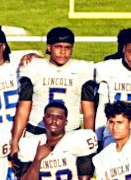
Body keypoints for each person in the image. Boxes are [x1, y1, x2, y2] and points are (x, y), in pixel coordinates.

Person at [12, 27, 96, 158]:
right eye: (58, 47)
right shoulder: (34, 67)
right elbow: (23, 108)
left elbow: (89, 112)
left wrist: (88, 138)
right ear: (49, 47)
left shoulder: (82, 69)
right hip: (37, 131)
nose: (63, 52)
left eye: (67, 47)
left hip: (70, 132)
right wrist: (15, 141)